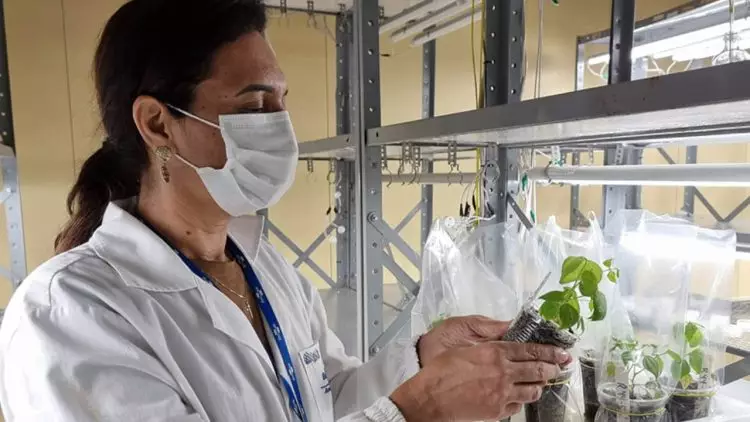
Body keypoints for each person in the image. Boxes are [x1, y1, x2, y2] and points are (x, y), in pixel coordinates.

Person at [0, 1, 570, 421]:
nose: (282, 128)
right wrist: (415, 410)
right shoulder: (68, 314)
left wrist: (421, 357)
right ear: (157, 124)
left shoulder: (265, 269)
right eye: (254, 105)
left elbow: (326, 398)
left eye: (281, 102)